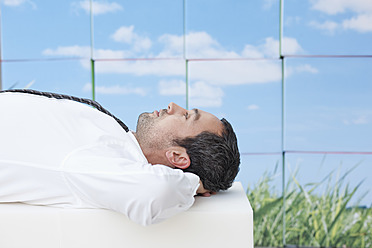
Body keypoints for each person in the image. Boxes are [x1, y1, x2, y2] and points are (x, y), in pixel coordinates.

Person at [0, 89, 240, 226]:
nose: (172, 105)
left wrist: (195, 183)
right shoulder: (117, 142)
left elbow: (155, 191)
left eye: (186, 116)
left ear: (177, 157)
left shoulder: (102, 162)